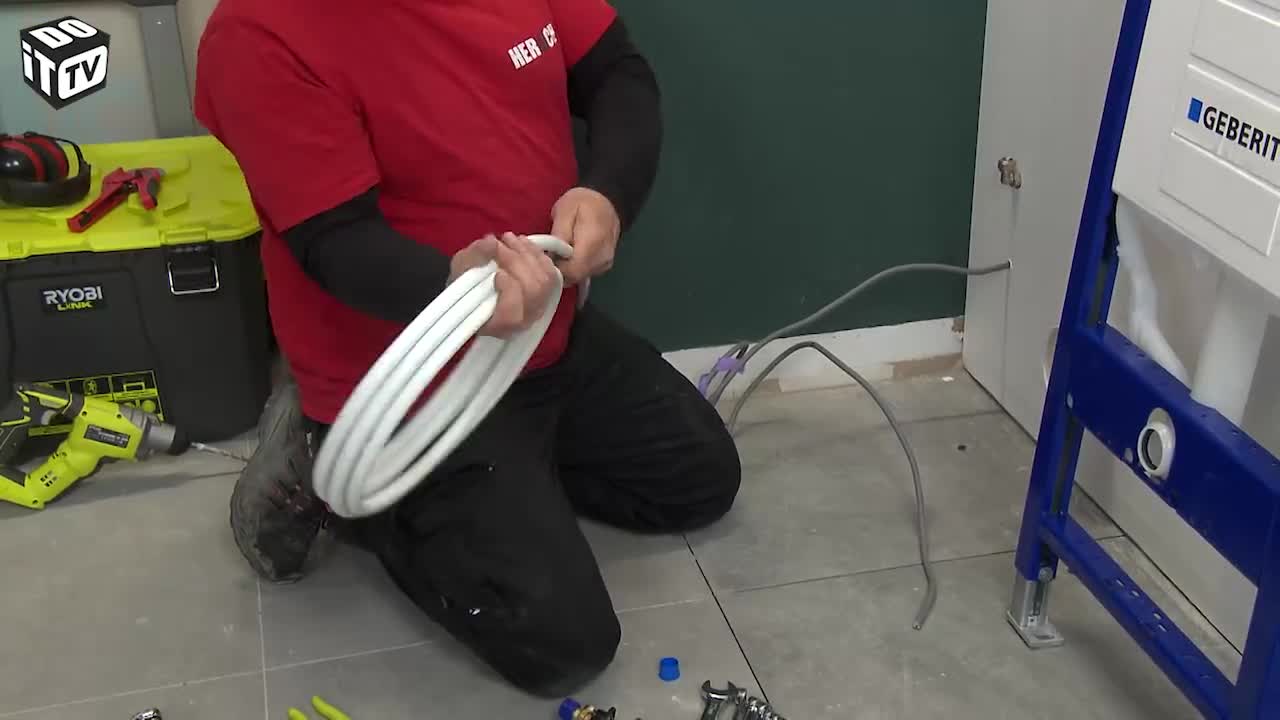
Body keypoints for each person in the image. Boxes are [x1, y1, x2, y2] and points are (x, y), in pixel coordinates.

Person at [193, 0, 741, 697]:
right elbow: (333, 241)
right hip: (404, 379)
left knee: (697, 482)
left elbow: (616, 71)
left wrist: (608, 193)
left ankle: (510, 478)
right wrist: (451, 288)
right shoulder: (260, 33)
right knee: (562, 645)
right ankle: (339, 469)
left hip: (541, 337)